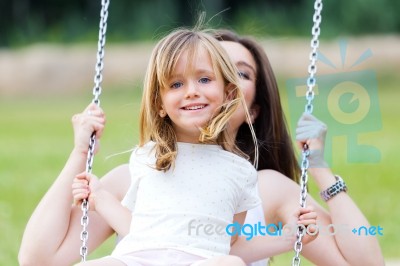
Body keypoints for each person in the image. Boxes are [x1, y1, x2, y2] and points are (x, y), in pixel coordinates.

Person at [18, 27, 383, 265]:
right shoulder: (138, 171)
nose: (195, 90)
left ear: (247, 104)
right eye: (178, 80)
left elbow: (365, 264)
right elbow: (37, 260)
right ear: (162, 98)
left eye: (232, 74)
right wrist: (80, 153)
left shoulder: (265, 187)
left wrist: (317, 165)